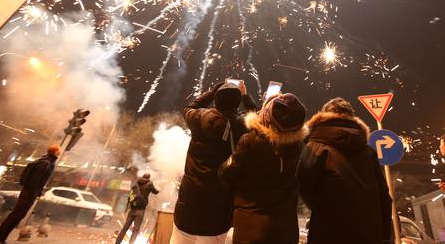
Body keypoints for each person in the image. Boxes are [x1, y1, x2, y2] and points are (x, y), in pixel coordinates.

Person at [171, 81, 256, 244]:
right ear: (237, 104)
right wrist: (245, 95)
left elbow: (189, 107)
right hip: (218, 213)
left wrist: (211, 91)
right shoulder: (242, 125)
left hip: (187, 208)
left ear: (216, 100)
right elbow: (258, 117)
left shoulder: (198, 118)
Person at [298, 98, 392, 244]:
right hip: (368, 234)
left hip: (328, 233)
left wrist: (322, 209)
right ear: (352, 118)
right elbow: (384, 198)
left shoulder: (314, 148)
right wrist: (386, 236)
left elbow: (303, 186)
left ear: (323, 117)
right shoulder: (368, 153)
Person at [219, 93, 309, 244]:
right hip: (285, 228)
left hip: (251, 226)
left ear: (266, 116)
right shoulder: (297, 146)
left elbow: (226, 174)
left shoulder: (250, 141)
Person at [0, 145, 61, 243]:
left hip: (30, 192)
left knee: (17, 215)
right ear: (54, 152)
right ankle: (1, 236)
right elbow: (35, 181)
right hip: (29, 193)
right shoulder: (45, 163)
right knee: (16, 215)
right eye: (58, 151)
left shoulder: (47, 162)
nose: (59, 153)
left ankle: (2, 236)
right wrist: (35, 193)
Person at [115, 173, 159, 244]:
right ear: (149, 177)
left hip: (132, 209)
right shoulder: (150, 184)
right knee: (136, 230)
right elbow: (155, 192)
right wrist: (159, 189)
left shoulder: (136, 183)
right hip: (141, 210)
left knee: (125, 228)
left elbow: (131, 195)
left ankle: (117, 242)